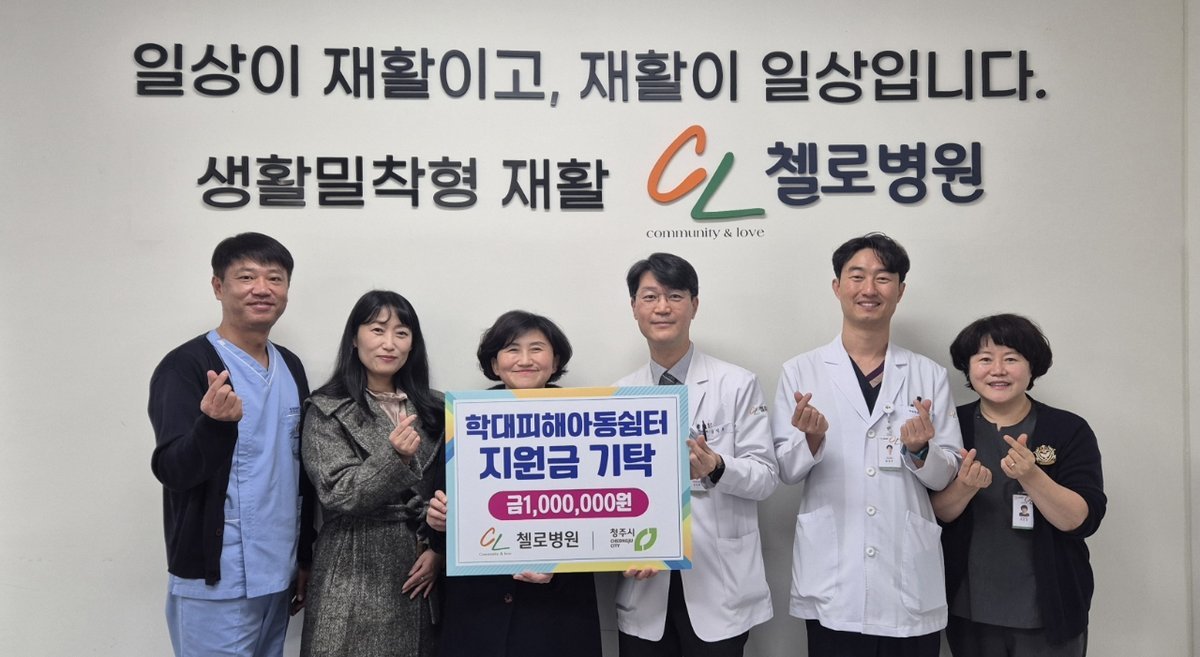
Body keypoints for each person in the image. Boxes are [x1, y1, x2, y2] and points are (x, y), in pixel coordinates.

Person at [771, 233, 963, 657]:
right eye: (857, 276)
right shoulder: (801, 371)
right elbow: (785, 470)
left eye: (883, 278)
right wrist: (812, 441)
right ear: (837, 286)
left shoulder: (928, 374)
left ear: (900, 291)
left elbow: (947, 471)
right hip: (834, 576)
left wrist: (921, 451)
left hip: (906, 575)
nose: (869, 288)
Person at [148, 232, 314, 657]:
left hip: (277, 573)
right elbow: (172, 470)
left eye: (275, 278)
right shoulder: (186, 366)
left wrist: (304, 559)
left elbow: (299, 471)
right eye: (246, 277)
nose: (262, 288)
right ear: (218, 287)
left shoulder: (290, 366)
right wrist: (213, 426)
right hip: (216, 579)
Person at [614, 253, 778, 657]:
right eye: (650, 297)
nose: (662, 307)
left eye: (675, 296)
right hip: (646, 579)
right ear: (634, 307)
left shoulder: (737, 384)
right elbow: (611, 495)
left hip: (717, 580)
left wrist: (716, 467)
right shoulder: (618, 395)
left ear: (694, 305)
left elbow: (765, 478)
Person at [427, 310, 603, 657]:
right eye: (511, 349)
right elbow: (444, 517)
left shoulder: (589, 419)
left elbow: (606, 519)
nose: (524, 360)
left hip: (557, 615)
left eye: (536, 349)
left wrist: (561, 569)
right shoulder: (465, 419)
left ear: (555, 362)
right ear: (494, 364)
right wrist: (438, 524)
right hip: (480, 611)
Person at [932, 314, 1105, 656]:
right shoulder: (951, 426)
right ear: (968, 368)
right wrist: (965, 487)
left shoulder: (1068, 429)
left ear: (1031, 367)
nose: (997, 370)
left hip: (1048, 611)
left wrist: (1031, 475)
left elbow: (1081, 520)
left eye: (1011, 359)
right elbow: (933, 513)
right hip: (968, 609)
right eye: (984, 359)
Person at [300, 290, 444, 657]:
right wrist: (394, 458)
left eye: (401, 333)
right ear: (355, 338)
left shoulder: (437, 409)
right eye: (377, 330)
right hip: (352, 567)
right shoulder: (326, 409)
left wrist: (439, 550)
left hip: (419, 566)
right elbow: (338, 492)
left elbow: (453, 490)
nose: (389, 343)